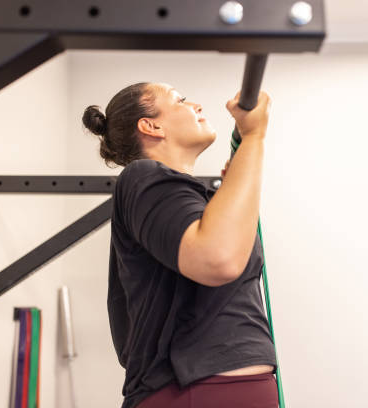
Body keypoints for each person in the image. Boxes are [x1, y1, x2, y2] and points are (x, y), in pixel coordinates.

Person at [82, 82, 277, 408]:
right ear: (151, 125)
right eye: (181, 100)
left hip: (234, 387)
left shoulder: (200, 204)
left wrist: (230, 190)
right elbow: (218, 259)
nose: (196, 105)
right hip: (190, 391)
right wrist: (254, 138)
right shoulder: (142, 177)